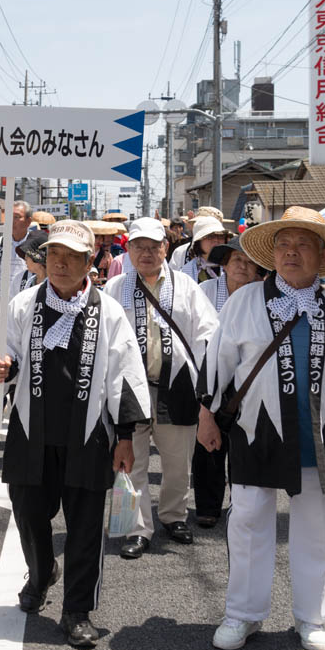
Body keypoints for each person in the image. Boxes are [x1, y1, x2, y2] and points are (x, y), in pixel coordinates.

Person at [198, 206, 325, 650]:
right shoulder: (244, 301)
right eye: (284, 244)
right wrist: (206, 418)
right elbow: (217, 367)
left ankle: (311, 616)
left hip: (320, 436)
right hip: (256, 431)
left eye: (303, 244)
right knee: (248, 520)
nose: (291, 253)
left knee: (318, 527)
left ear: (321, 254)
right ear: (272, 253)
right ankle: (242, 614)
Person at [0, 220, 150, 648]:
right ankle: (41, 574)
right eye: (53, 256)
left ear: (88, 262)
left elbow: (126, 376)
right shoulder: (23, 305)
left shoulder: (109, 312)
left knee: (84, 529)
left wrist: (126, 436)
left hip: (89, 434)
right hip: (30, 430)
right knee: (28, 516)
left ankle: (77, 610)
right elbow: (4, 355)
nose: (60, 264)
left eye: (71, 257)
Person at [103, 217, 218, 559]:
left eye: (154, 247)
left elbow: (206, 333)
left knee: (177, 461)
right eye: (139, 247)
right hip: (129, 389)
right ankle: (137, 528)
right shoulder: (114, 288)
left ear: (166, 248)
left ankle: (173, 516)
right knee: (130, 462)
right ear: (129, 250)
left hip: (177, 385)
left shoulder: (185, 287)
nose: (147, 254)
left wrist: (205, 385)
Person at [191, 237, 263, 528]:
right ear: (224, 264)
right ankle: (208, 506)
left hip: (249, 380)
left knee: (245, 442)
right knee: (208, 441)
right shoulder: (204, 291)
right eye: (236, 260)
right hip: (209, 376)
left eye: (249, 262)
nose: (242, 267)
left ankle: (242, 503)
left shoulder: (262, 295)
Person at [0, 202, 34, 330]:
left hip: (27, 305)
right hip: (0, 304)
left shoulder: (34, 245)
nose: (12, 221)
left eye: (16, 217)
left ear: (28, 221)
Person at [180, 216, 229, 282]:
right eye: (210, 236)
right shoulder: (185, 273)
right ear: (198, 241)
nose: (216, 240)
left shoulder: (234, 267)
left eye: (220, 236)